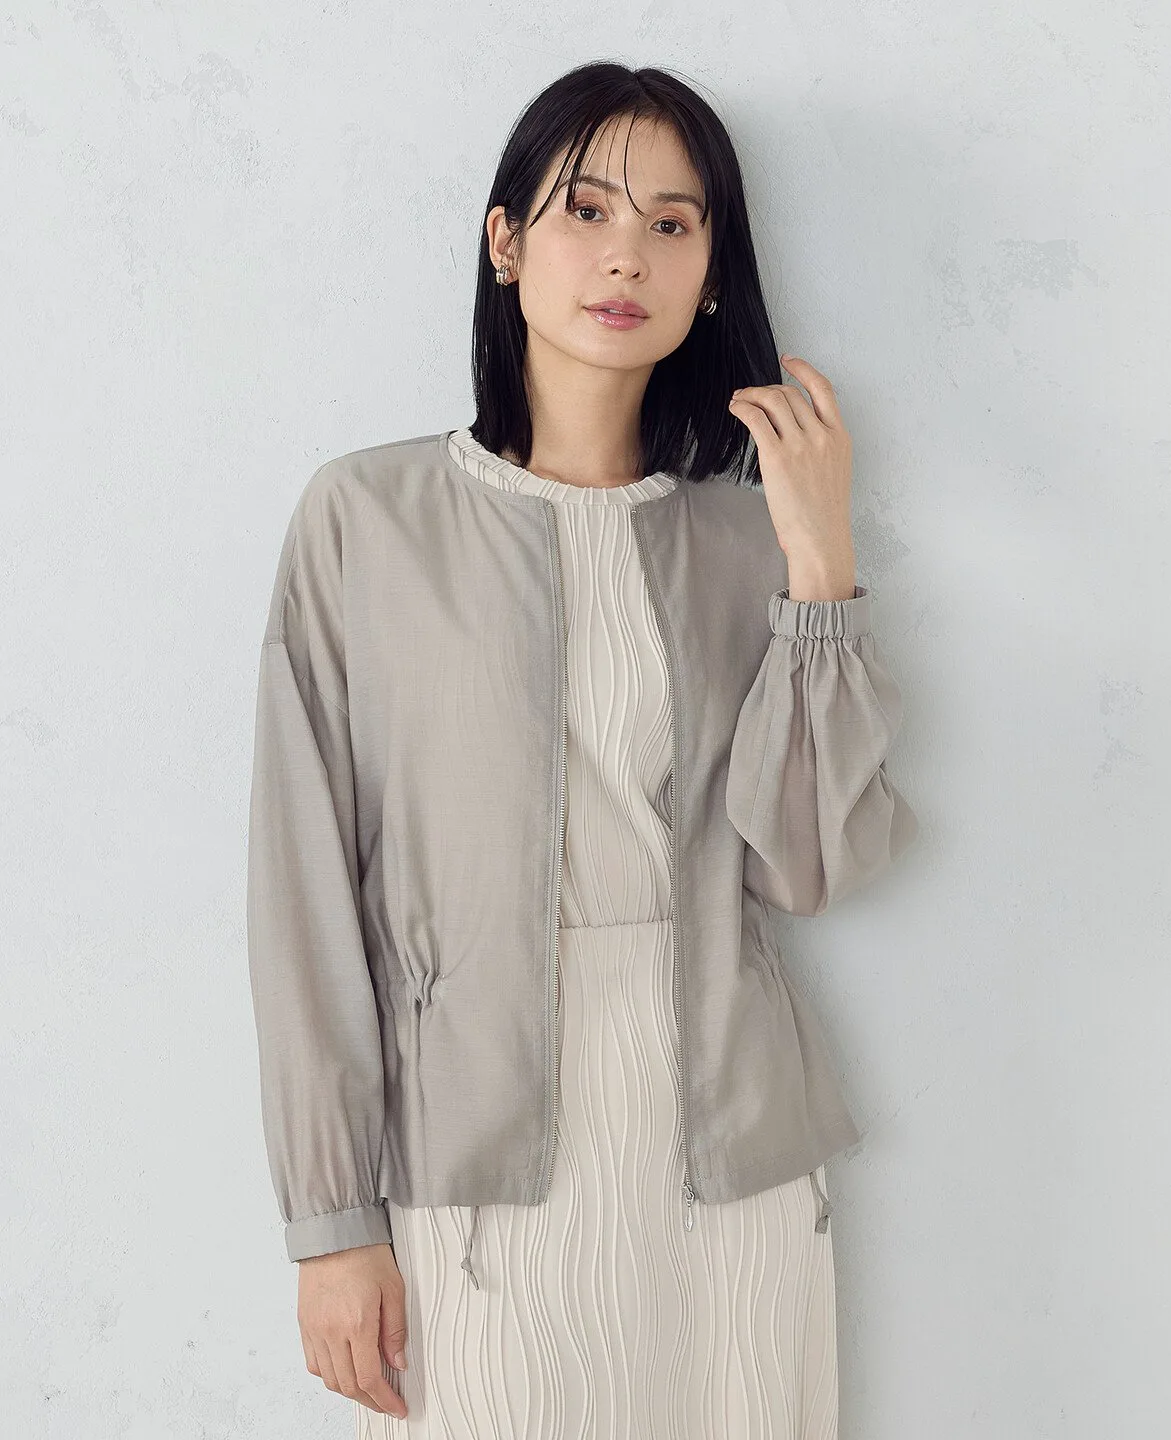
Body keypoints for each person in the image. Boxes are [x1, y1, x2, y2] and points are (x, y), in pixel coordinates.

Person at [245, 60, 919, 1440]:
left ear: (713, 276)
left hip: (733, 1168)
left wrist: (818, 563)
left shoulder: (744, 538)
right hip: (474, 1171)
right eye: (589, 210)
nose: (627, 255)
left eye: (673, 224)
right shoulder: (365, 519)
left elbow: (811, 866)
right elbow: (301, 894)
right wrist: (332, 1223)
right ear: (506, 242)